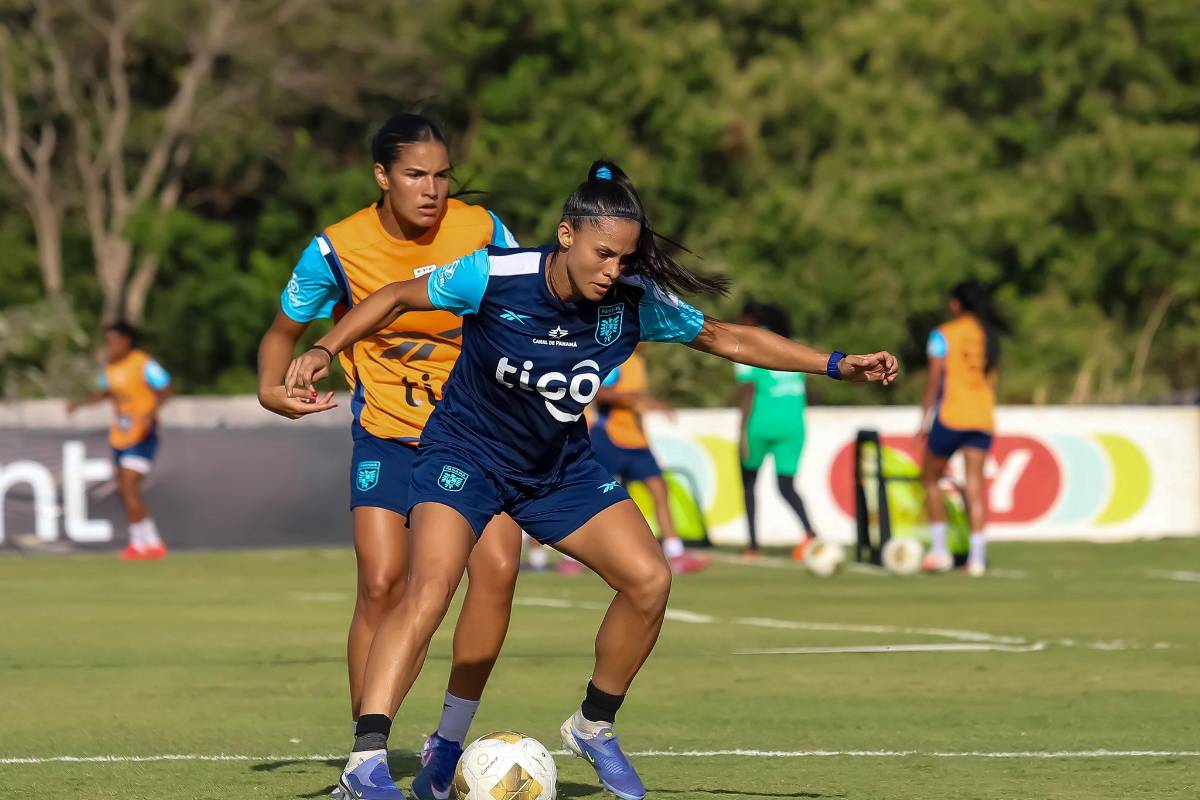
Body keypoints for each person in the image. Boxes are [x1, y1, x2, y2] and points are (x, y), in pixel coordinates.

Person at [283, 159, 898, 800]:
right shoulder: (494, 274)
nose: (613, 270)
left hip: (558, 469)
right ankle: (366, 761)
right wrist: (325, 349)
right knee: (430, 589)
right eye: (603, 254)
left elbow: (729, 339)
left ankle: (593, 725)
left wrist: (836, 364)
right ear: (566, 234)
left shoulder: (633, 301)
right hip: (464, 454)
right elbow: (392, 297)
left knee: (649, 580)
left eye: (625, 259)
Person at [255, 113, 524, 800]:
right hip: (388, 434)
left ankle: (448, 742)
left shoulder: (482, 229)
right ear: (382, 176)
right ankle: (366, 757)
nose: (431, 190)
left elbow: (533, 299)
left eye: (442, 175)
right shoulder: (336, 248)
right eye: (414, 175)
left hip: (480, 437)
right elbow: (283, 331)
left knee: (496, 571)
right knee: (381, 583)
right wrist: (269, 388)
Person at [590, 344, 708, 573]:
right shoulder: (616, 359)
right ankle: (572, 557)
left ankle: (675, 552)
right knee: (593, 494)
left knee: (660, 489)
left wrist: (652, 409)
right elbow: (597, 392)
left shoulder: (638, 362)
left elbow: (639, 403)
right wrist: (632, 397)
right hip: (609, 437)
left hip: (637, 442)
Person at [917, 280, 1007, 577]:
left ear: (956, 304)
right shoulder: (988, 334)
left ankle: (940, 551)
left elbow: (935, 379)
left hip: (952, 415)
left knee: (930, 478)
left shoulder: (943, 334)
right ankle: (977, 559)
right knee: (974, 486)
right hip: (982, 417)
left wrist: (924, 418)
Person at [67, 321, 172, 560]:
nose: (110, 346)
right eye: (108, 341)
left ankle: (138, 543)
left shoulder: (143, 363)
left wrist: (149, 415)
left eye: (114, 341)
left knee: (129, 486)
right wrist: (80, 404)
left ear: (127, 341)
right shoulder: (111, 367)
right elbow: (106, 393)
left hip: (142, 434)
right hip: (120, 435)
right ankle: (151, 542)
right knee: (123, 489)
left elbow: (165, 389)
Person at [735, 301, 817, 560]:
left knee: (749, 485)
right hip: (794, 425)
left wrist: (741, 432)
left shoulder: (750, 346)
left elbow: (748, 393)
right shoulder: (795, 346)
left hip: (759, 424)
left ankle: (753, 546)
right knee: (787, 486)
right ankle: (811, 535)